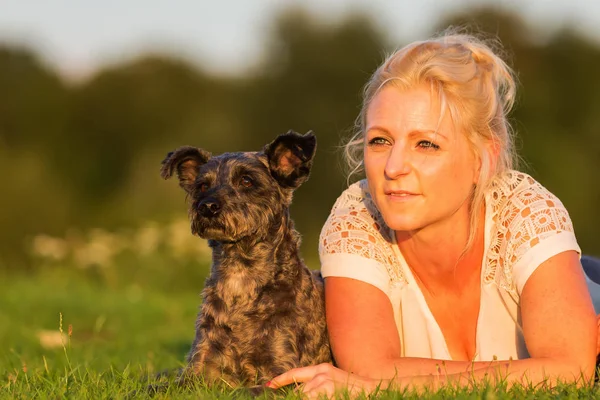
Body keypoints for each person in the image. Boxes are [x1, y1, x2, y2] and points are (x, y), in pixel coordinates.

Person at [266, 31, 599, 398]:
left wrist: (386, 383)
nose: (393, 167)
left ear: (482, 157)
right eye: (380, 141)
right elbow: (368, 368)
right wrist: (529, 371)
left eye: (426, 144)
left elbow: (571, 370)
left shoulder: (527, 212)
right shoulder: (355, 221)